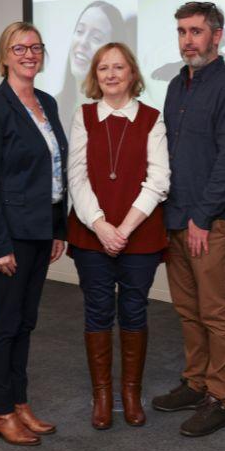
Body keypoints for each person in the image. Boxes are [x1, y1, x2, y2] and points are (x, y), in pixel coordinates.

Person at [151, 2, 225, 437]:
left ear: (216, 35)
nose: (187, 39)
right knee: (188, 310)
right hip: (176, 216)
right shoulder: (177, 85)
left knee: (216, 312)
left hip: (210, 221)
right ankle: (195, 382)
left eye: (195, 31)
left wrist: (203, 217)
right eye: (181, 31)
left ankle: (220, 397)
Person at [0, 22, 67, 447]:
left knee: (26, 321)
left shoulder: (46, 101)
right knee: (5, 323)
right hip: (12, 234)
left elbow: (56, 169)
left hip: (42, 228)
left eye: (36, 47)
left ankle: (20, 402)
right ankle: (0, 410)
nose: (29, 54)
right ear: (4, 55)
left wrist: (59, 227)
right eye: (20, 47)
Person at [67, 42, 170, 430]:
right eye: (103, 68)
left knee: (133, 310)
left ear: (133, 74)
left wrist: (123, 229)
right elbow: (76, 176)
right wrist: (100, 225)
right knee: (97, 311)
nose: (111, 75)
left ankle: (130, 392)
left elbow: (159, 179)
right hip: (92, 234)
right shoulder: (83, 116)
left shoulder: (151, 118)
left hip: (139, 236)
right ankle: (103, 395)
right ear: (95, 76)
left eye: (119, 67)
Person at [56, 1, 127, 119]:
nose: (83, 42)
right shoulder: (50, 108)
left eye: (96, 38)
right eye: (79, 31)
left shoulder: (125, 113)